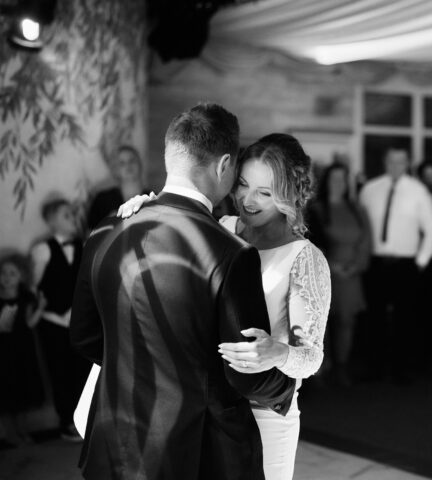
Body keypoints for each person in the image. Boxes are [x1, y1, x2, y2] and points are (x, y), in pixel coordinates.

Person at [70, 104, 297, 480]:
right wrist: (287, 383)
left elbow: (84, 337)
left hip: (115, 442)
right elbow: (243, 371)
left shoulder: (106, 229)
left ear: (169, 154)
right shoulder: (231, 254)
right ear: (225, 164)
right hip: (195, 451)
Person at [116, 132, 332, 480]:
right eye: (243, 184)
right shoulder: (222, 227)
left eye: (265, 192)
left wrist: (276, 353)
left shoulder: (305, 258)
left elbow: (312, 357)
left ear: (289, 194)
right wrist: (148, 210)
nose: (247, 199)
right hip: (206, 407)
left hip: (265, 416)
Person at [359, 147, 432, 382]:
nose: (395, 165)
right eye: (391, 160)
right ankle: (375, 368)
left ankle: (401, 369)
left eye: (401, 161)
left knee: (406, 318)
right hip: (375, 263)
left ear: (407, 164)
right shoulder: (369, 189)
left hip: (406, 265)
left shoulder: (418, 191)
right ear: (385, 161)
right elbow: (362, 227)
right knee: (375, 317)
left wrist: (421, 262)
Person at [30, 198, 90, 442]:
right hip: (52, 322)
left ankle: (85, 419)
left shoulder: (84, 244)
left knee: (83, 370)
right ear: (51, 221)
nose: (73, 220)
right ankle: (66, 422)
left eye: (74, 215)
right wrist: (53, 310)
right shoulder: (42, 250)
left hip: (78, 320)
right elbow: (35, 287)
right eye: (67, 215)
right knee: (60, 372)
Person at [307, 162, 370, 387]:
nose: (339, 183)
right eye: (334, 178)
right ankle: (320, 369)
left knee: (346, 320)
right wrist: (331, 265)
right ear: (327, 181)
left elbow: (366, 241)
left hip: (352, 273)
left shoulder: (357, 209)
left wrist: (356, 265)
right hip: (324, 271)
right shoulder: (316, 209)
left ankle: (342, 366)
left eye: (343, 179)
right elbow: (311, 243)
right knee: (320, 323)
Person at [0, 255, 46, 446]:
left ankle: (22, 430)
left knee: (24, 389)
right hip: (3, 351)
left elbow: (29, 323)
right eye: (2, 273)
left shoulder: (26, 297)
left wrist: (41, 307)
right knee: (6, 391)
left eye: (12, 273)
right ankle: (11, 434)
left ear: (21, 276)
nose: (7, 277)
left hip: (23, 349)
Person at [86, 145, 149, 230]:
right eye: (122, 163)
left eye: (132, 160)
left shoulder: (153, 198)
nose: (128, 165)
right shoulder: (102, 201)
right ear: (115, 170)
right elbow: (90, 237)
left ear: (140, 164)